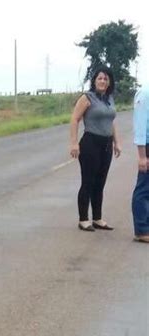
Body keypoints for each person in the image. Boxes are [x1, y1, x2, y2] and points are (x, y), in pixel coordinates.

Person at [70, 66, 121, 231]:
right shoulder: (87, 98)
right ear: (94, 81)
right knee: (88, 182)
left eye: (106, 79)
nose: (103, 81)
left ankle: (97, 218)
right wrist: (74, 143)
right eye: (100, 78)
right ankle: (83, 219)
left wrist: (116, 142)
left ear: (109, 82)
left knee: (100, 183)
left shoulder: (109, 98)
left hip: (106, 145)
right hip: (90, 143)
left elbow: (111, 121)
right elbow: (74, 119)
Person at [131, 84, 149, 244]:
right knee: (144, 188)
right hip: (147, 147)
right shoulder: (144, 93)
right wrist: (142, 156)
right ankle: (142, 230)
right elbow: (140, 125)